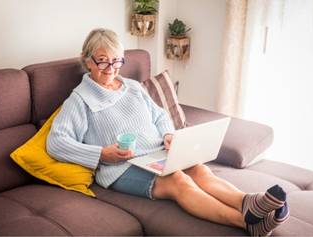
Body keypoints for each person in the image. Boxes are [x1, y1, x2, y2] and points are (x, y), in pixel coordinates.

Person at [46, 28, 289, 236]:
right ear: (87, 60)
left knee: (198, 169)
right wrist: (101, 154)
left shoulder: (132, 87)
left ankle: (248, 202)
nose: (111, 68)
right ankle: (247, 223)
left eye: (117, 60)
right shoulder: (80, 99)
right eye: (102, 60)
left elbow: (161, 115)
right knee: (178, 181)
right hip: (122, 168)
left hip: (156, 154)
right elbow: (56, 142)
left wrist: (168, 135)